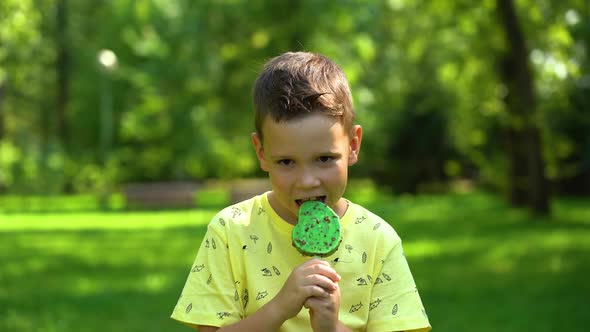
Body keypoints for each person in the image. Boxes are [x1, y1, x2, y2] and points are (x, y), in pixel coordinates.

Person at [171, 51, 432, 332]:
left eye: (324, 159)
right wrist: (280, 307)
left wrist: (331, 327)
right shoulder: (230, 232)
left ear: (353, 145)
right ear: (261, 152)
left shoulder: (378, 240)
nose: (307, 181)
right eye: (286, 162)